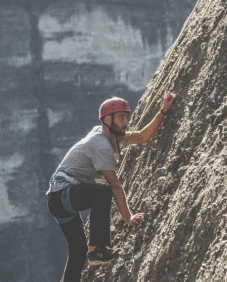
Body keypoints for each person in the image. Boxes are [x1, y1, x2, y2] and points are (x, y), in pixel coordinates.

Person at [47, 92, 176, 282]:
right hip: (63, 194)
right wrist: (128, 217)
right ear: (107, 119)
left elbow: (141, 137)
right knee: (103, 193)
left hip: (57, 199)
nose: (126, 121)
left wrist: (163, 111)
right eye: (121, 117)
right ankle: (98, 250)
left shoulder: (110, 136)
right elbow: (114, 186)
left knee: (77, 251)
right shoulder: (100, 144)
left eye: (127, 116)